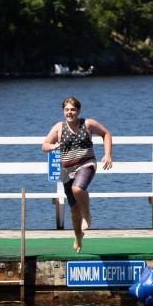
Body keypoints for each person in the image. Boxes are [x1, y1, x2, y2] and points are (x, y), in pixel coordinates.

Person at [42, 96, 112, 252]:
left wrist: (107, 155)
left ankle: (87, 216)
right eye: (67, 109)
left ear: (78, 110)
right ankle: (78, 236)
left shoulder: (87, 124)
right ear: (63, 111)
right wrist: (54, 146)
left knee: (78, 189)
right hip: (67, 171)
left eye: (73, 109)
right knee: (74, 210)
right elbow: (44, 146)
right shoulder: (59, 127)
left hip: (87, 164)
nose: (70, 112)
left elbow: (106, 134)